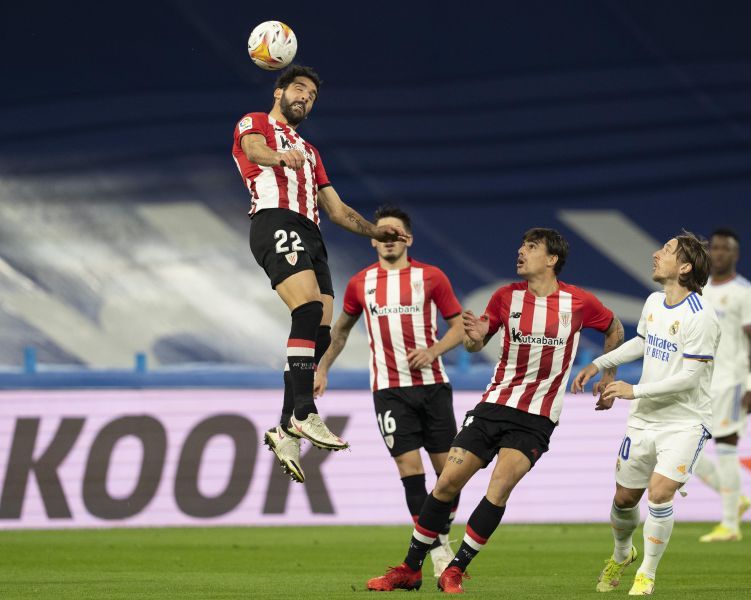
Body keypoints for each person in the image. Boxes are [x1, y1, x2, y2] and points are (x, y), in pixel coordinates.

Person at [366, 228, 624, 593]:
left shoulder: (578, 302)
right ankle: (410, 569)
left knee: (499, 487)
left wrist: (608, 375)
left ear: (552, 259)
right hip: (494, 405)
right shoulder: (505, 297)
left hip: (536, 417)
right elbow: (476, 344)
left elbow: (615, 328)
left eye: (531, 247)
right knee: (446, 483)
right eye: (521, 245)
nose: (521, 251)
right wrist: (473, 337)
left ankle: (455, 569)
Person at [231, 65, 409, 483]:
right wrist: (278, 157)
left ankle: (284, 429)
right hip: (275, 219)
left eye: (312, 95)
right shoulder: (255, 123)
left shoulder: (310, 151)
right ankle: (303, 412)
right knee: (308, 308)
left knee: (321, 333)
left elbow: (337, 210)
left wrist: (376, 231)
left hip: (311, 233)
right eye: (299, 89)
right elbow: (254, 150)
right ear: (279, 92)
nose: (305, 98)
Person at [314, 205, 465, 576]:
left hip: (432, 386)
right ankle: (439, 550)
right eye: (381, 233)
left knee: (450, 476)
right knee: (408, 469)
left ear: (407, 239)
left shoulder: (431, 277)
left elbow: (459, 327)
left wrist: (434, 351)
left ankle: (441, 532)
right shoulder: (360, 283)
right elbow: (341, 330)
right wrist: (322, 368)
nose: (388, 239)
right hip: (389, 391)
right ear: (372, 240)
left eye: (395, 233)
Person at [572, 231, 720, 596]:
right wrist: (599, 363)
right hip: (643, 420)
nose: (656, 254)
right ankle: (622, 553)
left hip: (685, 422)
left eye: (667, 250)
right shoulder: (654, 302)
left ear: (684, 267)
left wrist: (633, 390)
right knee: (624, 499)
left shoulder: (701, 317)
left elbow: (689, 378)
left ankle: (646, 574)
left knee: (659, 493)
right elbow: (642, 342)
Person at [692, 228, 751, 542]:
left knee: (726, 447)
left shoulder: (746, 292)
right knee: (686, 452)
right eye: (715, 247)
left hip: (731, 381)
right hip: (699, 382)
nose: (719, 253)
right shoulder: (698, 289)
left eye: (726, 248)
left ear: (736, 254)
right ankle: (736, 498)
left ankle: (730, 525)